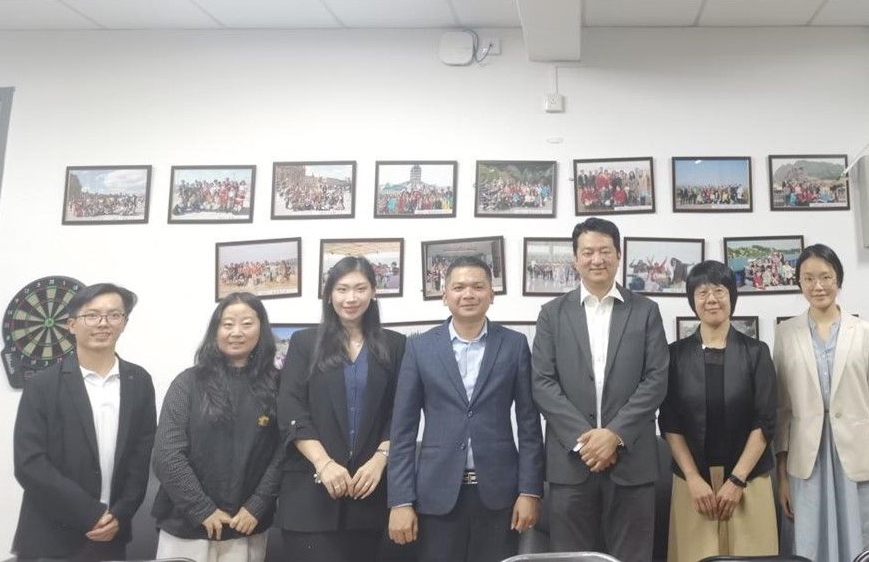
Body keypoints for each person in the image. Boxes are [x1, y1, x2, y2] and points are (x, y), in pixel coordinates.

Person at [387, 256, 545, 561]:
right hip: (435, 494)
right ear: (444, 295)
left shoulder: (514, 345)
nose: (468, 294)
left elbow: (529, 425)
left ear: (492, 294)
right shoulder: (419, 348)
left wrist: (530, 491)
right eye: (459, 287)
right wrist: (400, 500)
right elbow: (403, 431)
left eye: (478, 286)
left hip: (500, 494)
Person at [531, 217, 669, 561]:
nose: (597, 259)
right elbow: (543, 382)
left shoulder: (646, 311)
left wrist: (614, 435)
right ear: (575, 259)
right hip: (570, 463)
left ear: (619, 255)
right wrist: (586, 441)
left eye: (605, 251)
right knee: (571, 558)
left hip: (632, 461)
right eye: (588, 252)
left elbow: (656, 379)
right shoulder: (551, 314)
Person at [773, 244, 869, 560]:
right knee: (810, 544)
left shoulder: (865, 332)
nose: (817, 286)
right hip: (807, 461)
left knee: (865, 541)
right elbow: (782, 411)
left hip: (860, 459)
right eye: (808, 278)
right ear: (799, 283)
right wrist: (782, 478)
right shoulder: (786, 333)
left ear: (838, 280)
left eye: (825, 277)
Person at [12, 283, 157, 561]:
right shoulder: (42, 384)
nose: (103, 323)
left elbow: (140, 459)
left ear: (124, 323)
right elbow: (29, 463)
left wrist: (120, 514)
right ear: (71, 324)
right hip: (51, 537)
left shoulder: (139, 381)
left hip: (111, 534)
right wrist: (91, 513)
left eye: (113, 315)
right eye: (91, 315)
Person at [277, 256, 408, 560]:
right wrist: (323, 463)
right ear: (329, 295)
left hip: (370, 494)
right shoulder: (304, 342)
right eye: (342, 289)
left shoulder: (395, 345)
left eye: (360, 288)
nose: (351, 298)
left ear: (373, 292)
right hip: (310, 496)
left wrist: (380, 459)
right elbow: (290, 406)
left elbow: (402, 411)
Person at [660, 260, 778, 562]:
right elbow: (670, 422)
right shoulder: (675, 355)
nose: (711, 299)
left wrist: (737, 480)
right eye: (702, 293)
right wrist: (692, 478)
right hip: (693, 484)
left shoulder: (756, 352)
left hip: (749, 480)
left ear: (731, 297)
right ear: (692, 301)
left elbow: (765, 420)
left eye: (719, 291)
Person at [152, 292, 284, 561]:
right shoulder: (187, 383)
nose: (236, 332)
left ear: (261, 329)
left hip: (246, 525)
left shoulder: (278, 385)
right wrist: (202, 509)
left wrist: (258, 505)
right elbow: (167, 453)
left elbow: (283, 453)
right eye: (227, 324)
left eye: (247, 323)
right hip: (186, 526)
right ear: (215, 330)